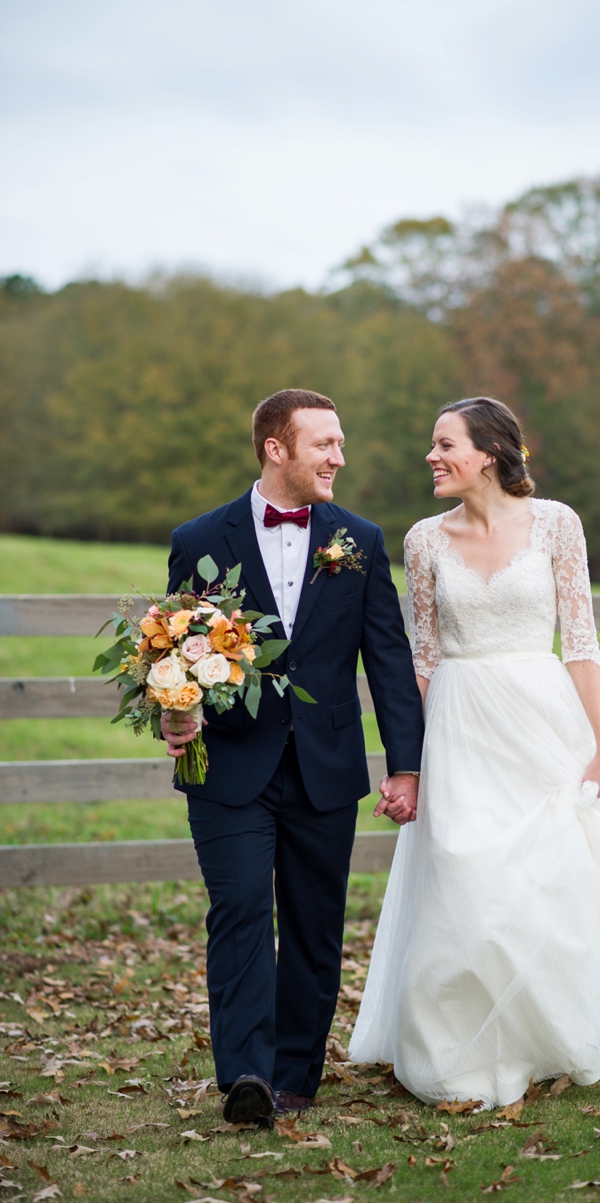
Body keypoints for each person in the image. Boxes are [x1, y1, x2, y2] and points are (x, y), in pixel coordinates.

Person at [349, 396, 600, 1107]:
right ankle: (460, 1048)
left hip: (542, 718)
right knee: (462, 873)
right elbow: (420, 657)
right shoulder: (423, 539)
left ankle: (550, 1033)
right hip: (458, 723)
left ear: (487, 452)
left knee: (547, 873)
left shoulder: (556, 524)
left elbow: (580, 641)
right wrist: (408, 763)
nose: (431, 456)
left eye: (443, 443)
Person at [162, 388, 424, 1125]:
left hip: (326, 764)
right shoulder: (199, 538)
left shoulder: (360, 540)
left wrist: (405, 764)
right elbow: (176, 651)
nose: (339, 456)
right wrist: (172, 716)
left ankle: (296, 1075)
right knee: (239, 906)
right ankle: (245, 1073)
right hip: (228, 767)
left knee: (315, 920)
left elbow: (390, 661)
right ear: (277, 448)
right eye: (325, 445)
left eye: (340, 443)